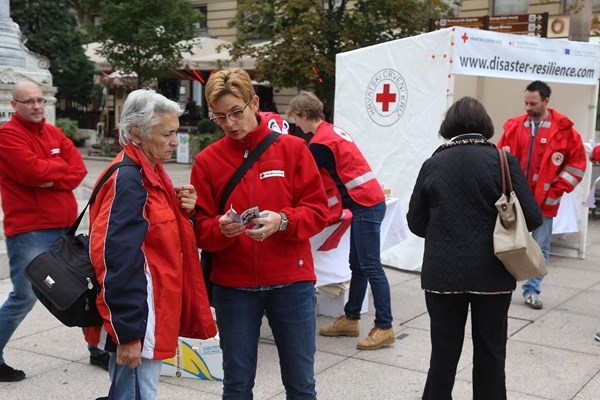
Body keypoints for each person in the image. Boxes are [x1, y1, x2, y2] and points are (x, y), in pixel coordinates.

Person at [191, 68, 328, 399]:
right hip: (234, 288)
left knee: (301, 384)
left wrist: (282, 220)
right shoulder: (207, 161)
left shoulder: (294, 149)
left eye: (236, 113)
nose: (231, 124)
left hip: (292, 283)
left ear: (254, 102)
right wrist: (221, 229)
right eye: (220, 118)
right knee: (236, 384)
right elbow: (200, 230)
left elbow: (319, 212)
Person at [84, 88, 216, 399]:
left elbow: (155, 237)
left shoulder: (148, 170)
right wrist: (128, 334)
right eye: (168, 133)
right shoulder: (130, 179)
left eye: (176, 132)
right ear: (136, 134)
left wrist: (185, 209)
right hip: (140, 320)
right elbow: (116, 259)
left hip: (150, 315)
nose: (176, 141)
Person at [407, 97, 542, 399]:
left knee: (442, 356)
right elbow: (533, 217)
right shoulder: (503, 161)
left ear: (449, 126)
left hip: (442, 276)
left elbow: (415, 223)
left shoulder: (433, 163)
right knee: (491, 354)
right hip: (493, 273)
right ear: (485, 126)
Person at [0, 79, 111, 382]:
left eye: (39, 100)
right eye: (29, 101)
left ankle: (98, 349)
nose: (37, 106)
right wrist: (53, 171)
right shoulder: (7, 136)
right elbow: (31, 171)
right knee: (24, 296)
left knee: (88, 289)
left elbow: (78, 170)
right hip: (30, 230)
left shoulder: (54, 132)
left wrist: (51, 176)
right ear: (14, 105)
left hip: (65, 226)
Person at [287, 90, 395, 350]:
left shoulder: (319, 145)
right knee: (358, 265)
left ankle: (384, 326)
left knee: (370, 266)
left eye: (295, 120)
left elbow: (303, 180)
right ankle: (351, 318)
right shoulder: (332, 131)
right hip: (369, 200)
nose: (295, 127)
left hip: (365, 204)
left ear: (303, 115)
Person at [498, 80, 587, 310]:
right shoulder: (514, 127)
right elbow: (499, 158)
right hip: (516, 200)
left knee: (540, 247)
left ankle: (532, 290)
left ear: (546, 101)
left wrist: (556, 190)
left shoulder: (565, 131)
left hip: (544, 203)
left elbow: (577, 164)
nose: (527, 107)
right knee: (506, 244)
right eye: (526, 102)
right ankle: (501, 285)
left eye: (533, 103)